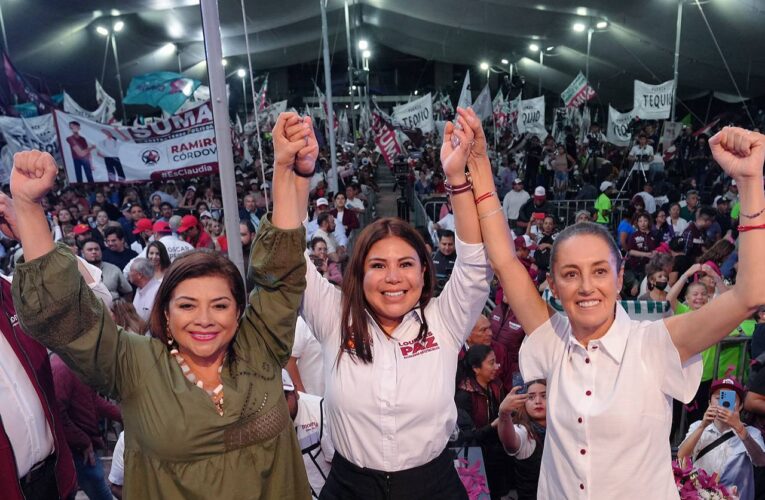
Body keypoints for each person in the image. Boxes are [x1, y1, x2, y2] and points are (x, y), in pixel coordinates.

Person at [7, 111, 317, 498]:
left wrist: (286, 167)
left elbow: (281, 275)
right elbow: (67, 318)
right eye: (187, 306)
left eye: (220, 305)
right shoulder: (133, 363)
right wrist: (28, 206)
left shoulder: (261, 345)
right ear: (165, 313)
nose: (204, 319)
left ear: (239, 314)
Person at [462, 118, 765, 496]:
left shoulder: (654, 344)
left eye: (600, 271)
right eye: (571, 274)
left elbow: (749, 294)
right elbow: (505, 260)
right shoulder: (553, 338)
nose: (587, 286)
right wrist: (480, 169)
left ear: (620, 278)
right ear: (553, 285)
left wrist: (750, 181)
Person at [301, 107, 491, 499]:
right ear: (358, 273)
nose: (392, 278)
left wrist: (457, 177)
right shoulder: (334, 316)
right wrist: (296, 174)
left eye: (406, 264)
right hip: (350, 488)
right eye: (378, 265)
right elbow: (290, 265)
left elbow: (474, 264)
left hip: (433, 487)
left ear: (424, 273)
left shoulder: (445, 320)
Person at [678, 376, 765, 500]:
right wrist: (703, 426)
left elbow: (761, 461)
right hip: (700, 496)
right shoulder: (698, 426)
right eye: (719, 398)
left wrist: (741, 431)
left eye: (731, 400)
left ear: (740, 406)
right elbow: (681, 457)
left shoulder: (751, 433)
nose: (723, 403)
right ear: (709, 403)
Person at [50, 354, 122, 500]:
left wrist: (122, 415)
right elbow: (57, 413)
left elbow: (91, 400)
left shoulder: (75, 365)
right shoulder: (63, 368)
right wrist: (83, 441)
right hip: (78, 449)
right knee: (97, 488)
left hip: (82, 445)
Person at [454, 345, 510, 500]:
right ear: (476, 368)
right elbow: (465, 436)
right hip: (476, 458)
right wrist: (494, 425)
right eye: (491, 363)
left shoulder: (496, 385)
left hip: (497, 454)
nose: (497, 367)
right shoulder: (464, 395)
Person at [283, 370, 334, 499]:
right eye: (275, 400)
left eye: (284, 397)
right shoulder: (264, 424)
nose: (281, 406)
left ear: (295, 392)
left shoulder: (320, 411)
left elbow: (340, 467)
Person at [497, 380, 547, 500]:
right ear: (523, 403)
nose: (538, 401)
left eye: (544, 396)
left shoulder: (561, 429)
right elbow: (511, 443)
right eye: (531, 397)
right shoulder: (524, 431)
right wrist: (504, 414)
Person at [285, 316, 325, 396]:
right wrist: (303, 396)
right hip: (311, 399)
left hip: (336, 403)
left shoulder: (345, 323)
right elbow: (289, 361)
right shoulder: (304, 323)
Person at [127, 257, 161, 323]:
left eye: (131, 270)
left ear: (139, 275)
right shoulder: (139, 289)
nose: (128, 273)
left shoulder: (158, 291)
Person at [431, 229, 457, 295]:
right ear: (439, 243)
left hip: (453, 294)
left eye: (450, 244)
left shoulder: (460, 259)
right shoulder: (432, 257)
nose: (447, 247)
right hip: (434, 295)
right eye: (444, 244)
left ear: (455, 244)